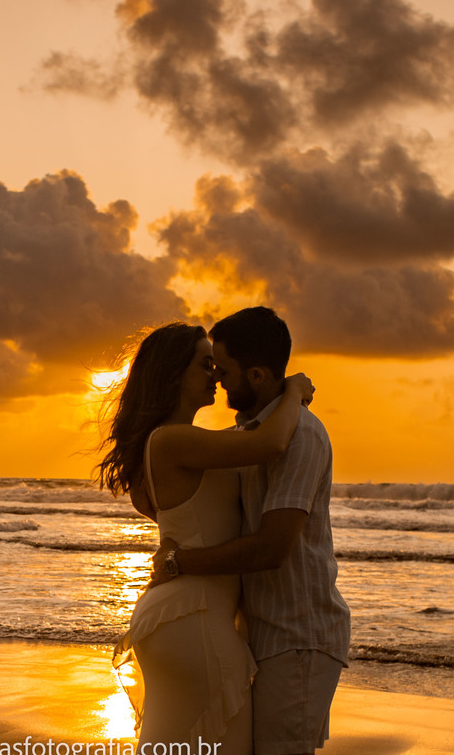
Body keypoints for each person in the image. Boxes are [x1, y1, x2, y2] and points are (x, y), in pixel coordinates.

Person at [97, 321, 315, 752]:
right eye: (204, 364)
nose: (215, 373)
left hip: (179, 616)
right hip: (195, 617)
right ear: (172, 374)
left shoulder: (171, 444)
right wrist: (293, 392)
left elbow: (188, 519)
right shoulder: (172, 440)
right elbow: (270, 444)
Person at [150, 307, 351, 755]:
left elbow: (271, 548)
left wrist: (179, 561)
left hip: (297, 637)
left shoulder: (301, 437)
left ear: (257, 376)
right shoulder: (246, 435)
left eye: (223, 369)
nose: (217, 378)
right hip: (258, 634)